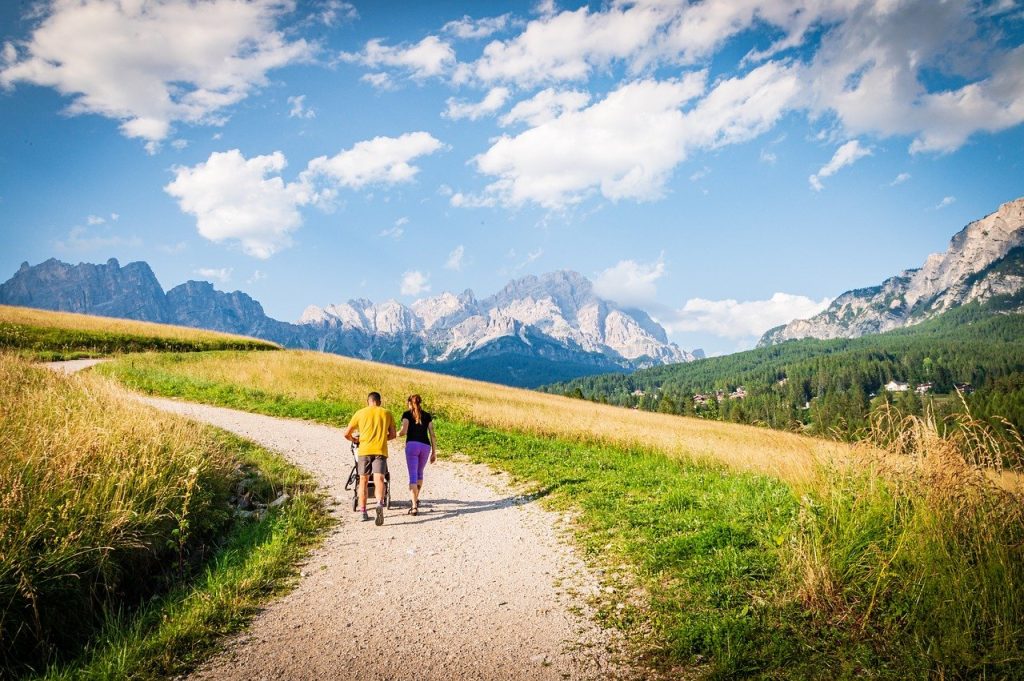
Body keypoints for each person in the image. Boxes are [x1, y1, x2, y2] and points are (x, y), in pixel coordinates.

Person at [343, 391, 396, 526]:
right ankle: (379, 503)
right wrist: (383, 438)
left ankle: (363, 512)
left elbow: (346, 434)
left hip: (364, 450)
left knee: (363, 480)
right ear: (379, 402)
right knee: (379, 479)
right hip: (380, 450)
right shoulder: (387, 413)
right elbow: (393, 435)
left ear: (368, 401)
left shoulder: (360, 413)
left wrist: (356, 439)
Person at [396, 394, 436, 516]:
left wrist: (394, 434)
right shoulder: (427, 416)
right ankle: (416, 498)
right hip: (426, 446)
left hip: (412, 446)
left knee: (412, 476)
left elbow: (404, 431)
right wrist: (434, 452)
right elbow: (432, 434)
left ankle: (414, 507)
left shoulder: (407, 414)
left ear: (409, 403)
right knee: (420, 473)